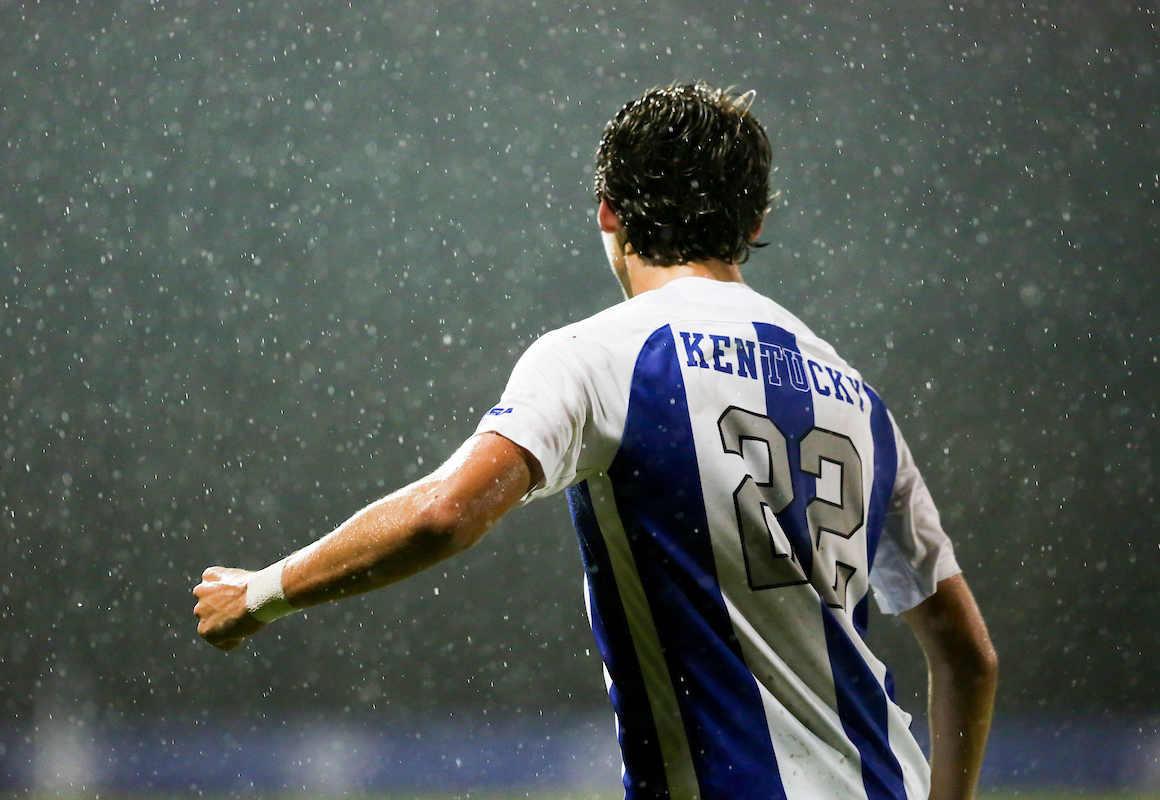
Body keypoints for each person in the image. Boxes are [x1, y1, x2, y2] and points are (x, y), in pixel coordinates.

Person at [194, 82, 997, 800]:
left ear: (608, 209)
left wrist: (262, 593)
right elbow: (967, 656)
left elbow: (442, 514)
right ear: (751, 226)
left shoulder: (604, 356)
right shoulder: (859, 400)